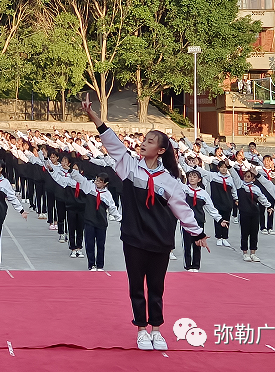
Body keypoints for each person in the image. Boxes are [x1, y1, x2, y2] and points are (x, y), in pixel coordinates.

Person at [81, 94, 209, 352]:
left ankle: (157, 329)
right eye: (144, 139)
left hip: (160, 241)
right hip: (134, 239)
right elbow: (113, 143)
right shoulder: (128, 167)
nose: (143, 143)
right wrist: (94, 117)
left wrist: (198, 233)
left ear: (161, 150)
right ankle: (142, 329)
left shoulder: (170, 180)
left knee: (157, 288)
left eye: (150, 141)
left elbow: (183, 210)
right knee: (136, 286)